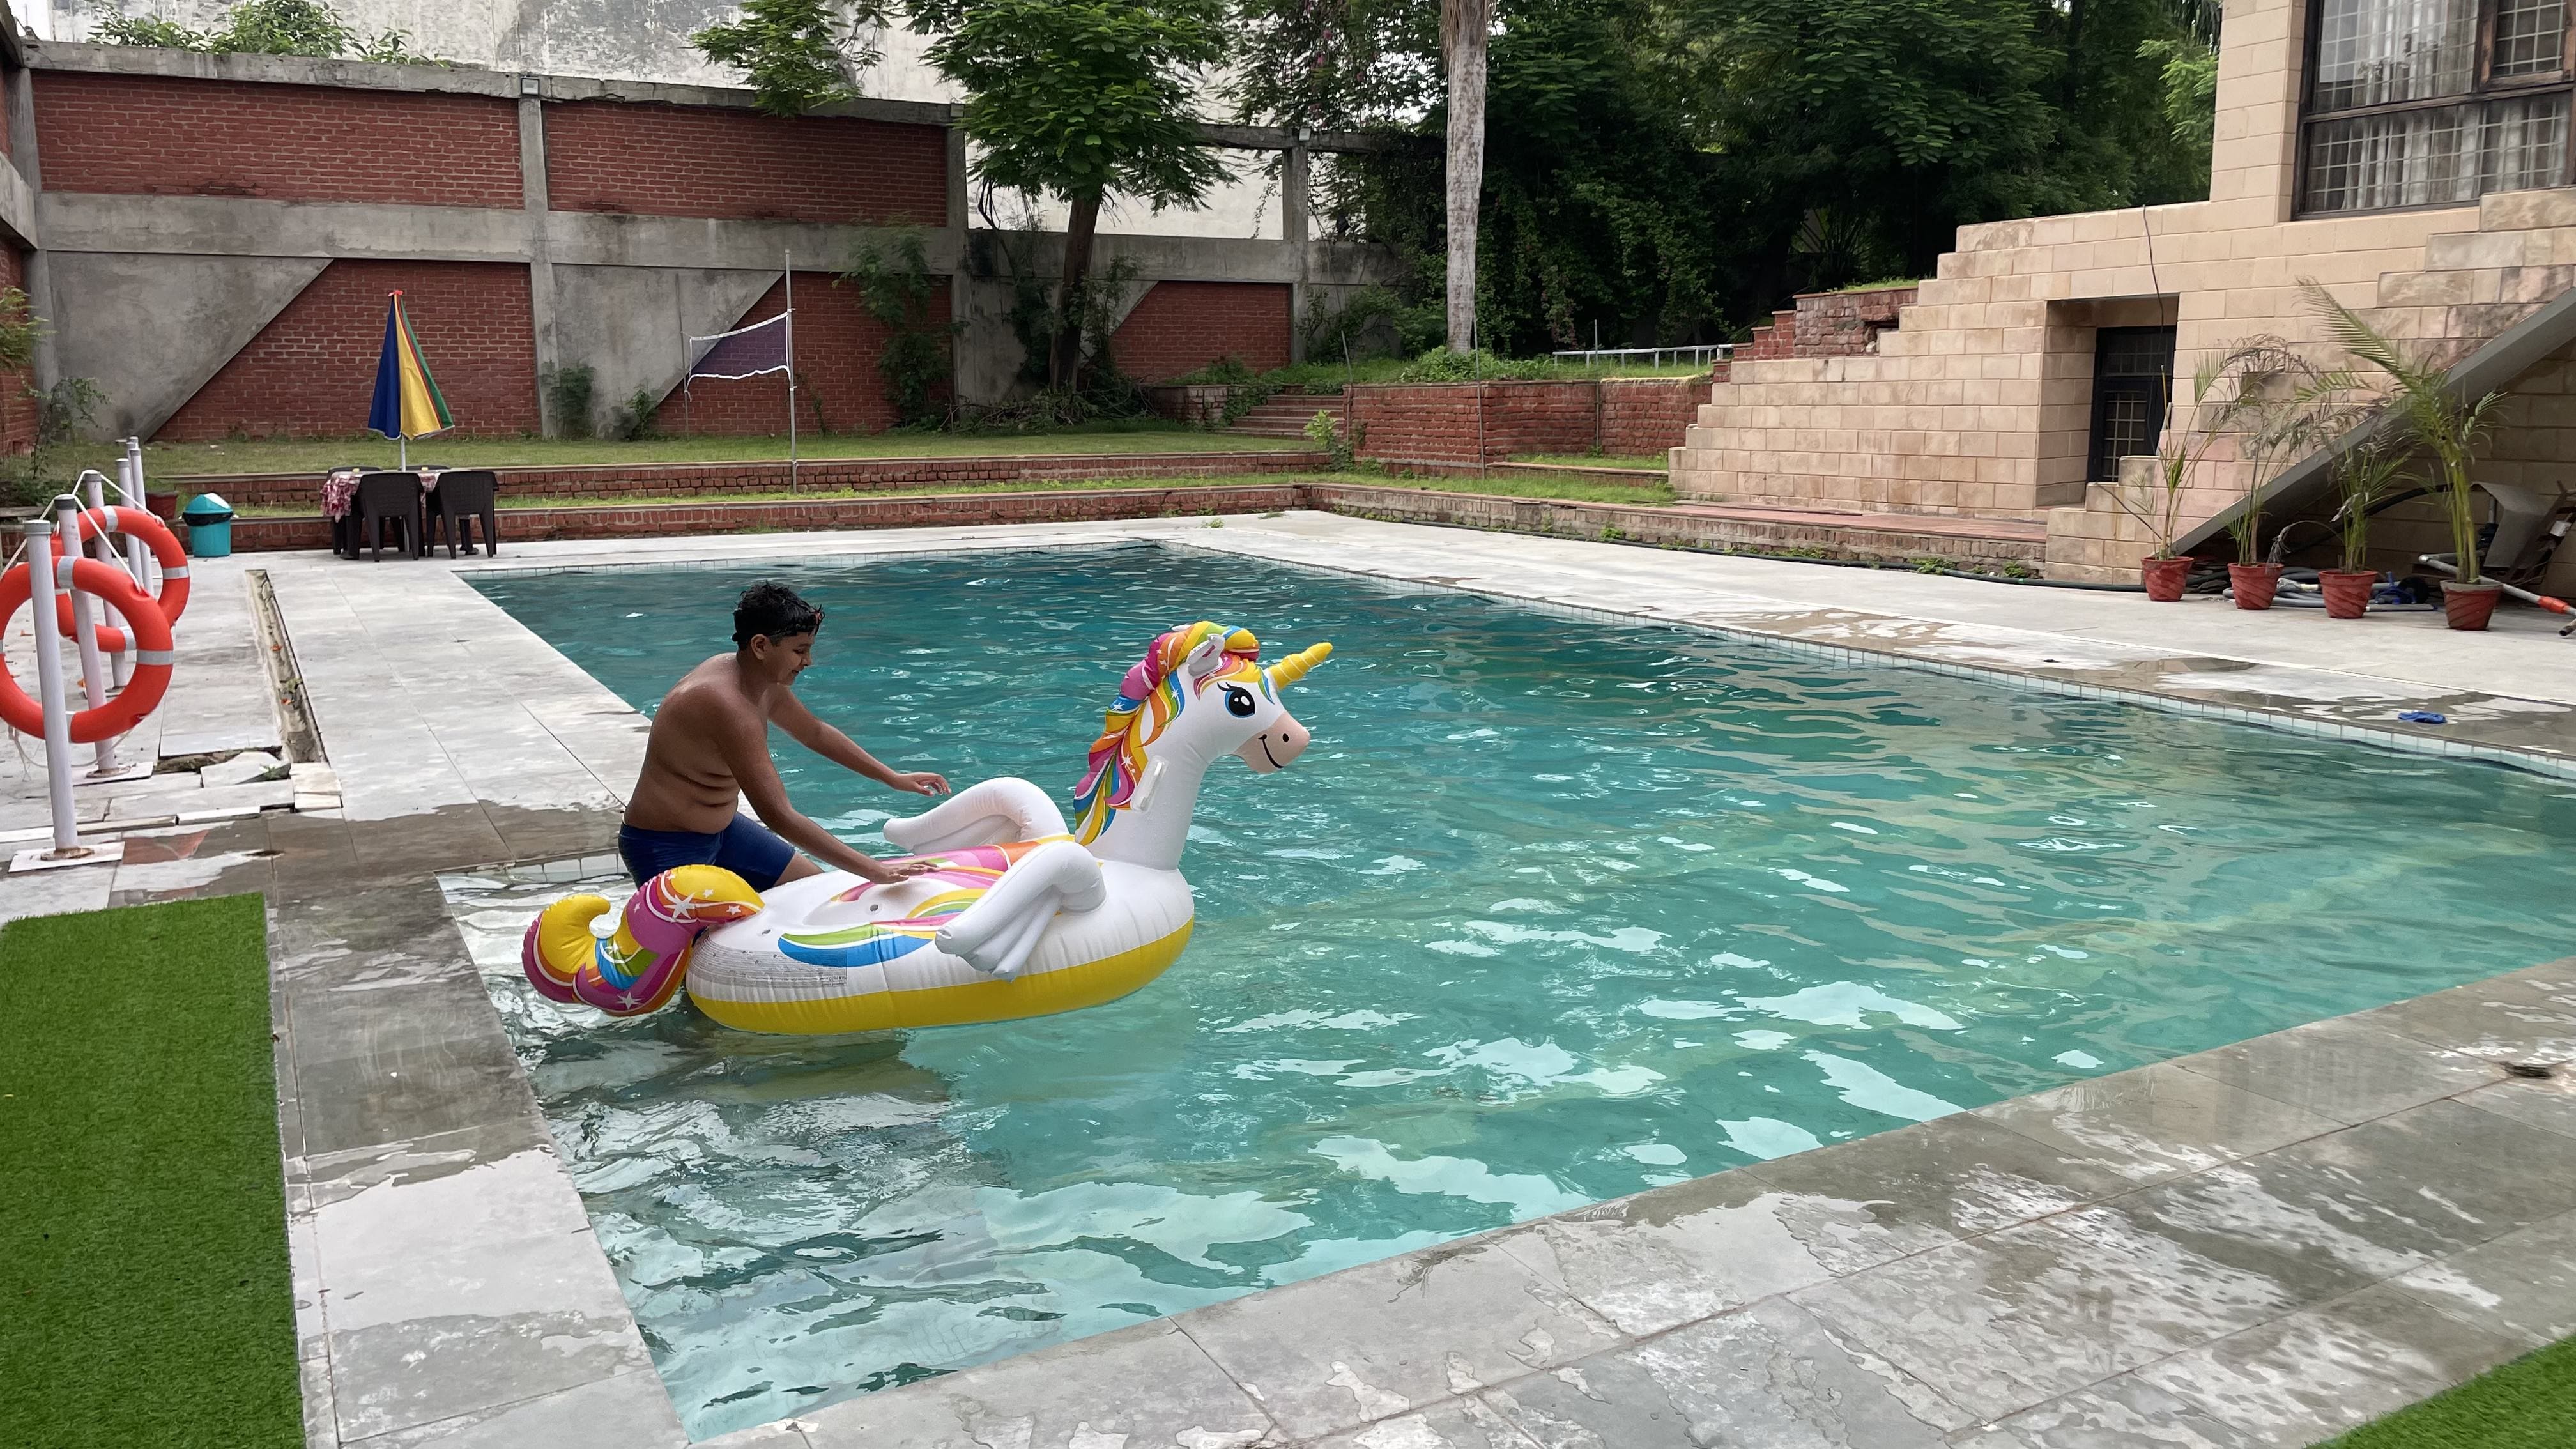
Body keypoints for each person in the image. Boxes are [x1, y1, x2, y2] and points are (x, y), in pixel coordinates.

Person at [619, 581, 949, 891]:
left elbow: (815, 732)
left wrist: (892, 778)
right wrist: (873, 869)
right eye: (799, 651)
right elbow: (778, 815)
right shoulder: (726, 704)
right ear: (761, 645)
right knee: (702, 950)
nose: (808, 661)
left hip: (726, 832)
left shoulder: (761, 680)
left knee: (815, 891)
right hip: (665, 845)